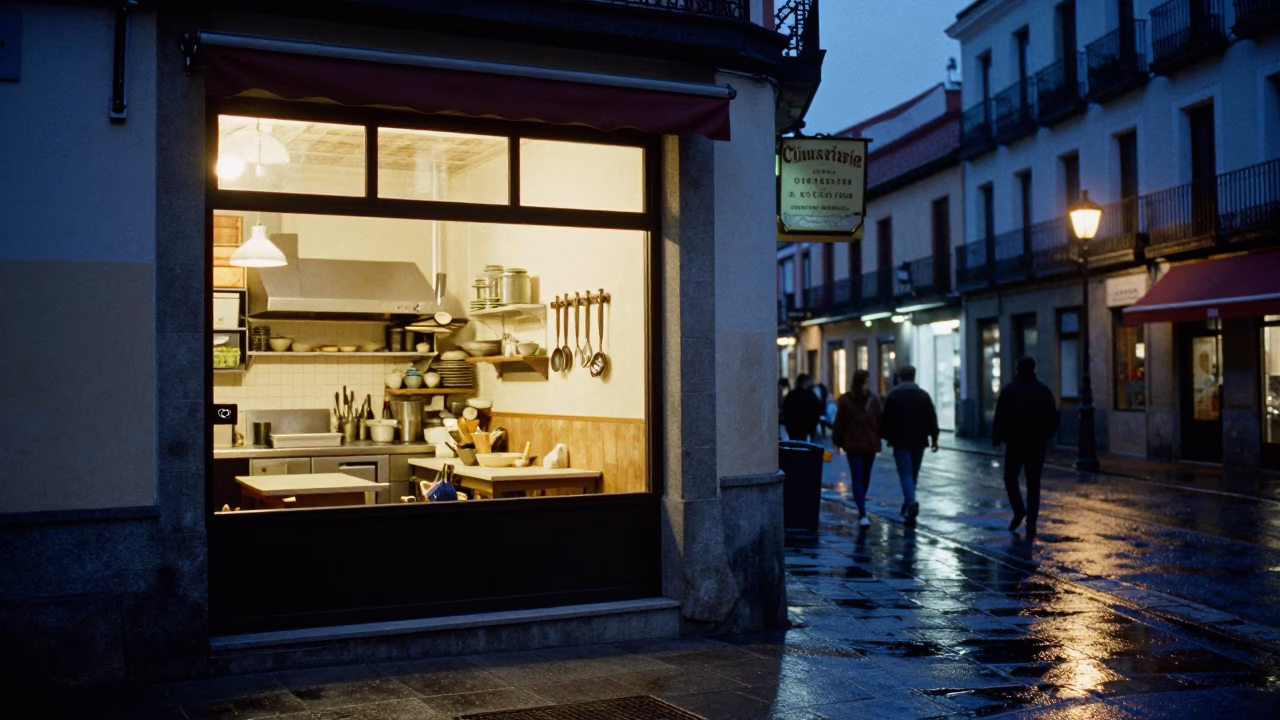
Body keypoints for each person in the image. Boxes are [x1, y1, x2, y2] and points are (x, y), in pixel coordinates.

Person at [992, 356, 1058, 538]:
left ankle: (1019, 509)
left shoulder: (1009, 390)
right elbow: (1052, 416)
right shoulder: (1043, 390)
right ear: (1034, 368)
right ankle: (1031, 524)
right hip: (1036, 443)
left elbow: (1000, 415)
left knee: (1010, 477)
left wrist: (997, 438)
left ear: (1017, 369)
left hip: (1015, 443)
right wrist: (1048, 435)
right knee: (1033, 484)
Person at [879, 365, 939, 522]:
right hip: (919, 440)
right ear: (914, 376)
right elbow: (931, 418)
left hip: (900, 441)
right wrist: (934, 438)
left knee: (905, 474)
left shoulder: (893, 396)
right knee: (913, 473)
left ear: (900, 377)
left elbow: (885, 420)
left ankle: (910, 502)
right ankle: (908, 502)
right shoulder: (923, 396)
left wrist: (886, 436)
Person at [832, 369, 881, 527]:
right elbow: (840, 423)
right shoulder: (848, 400)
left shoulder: (872, 400)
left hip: (868, 444)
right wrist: (837, 441)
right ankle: (862, 512)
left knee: (864, 478)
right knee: (858, 478)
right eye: (866, 381)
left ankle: (862, 508)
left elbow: (880, 420)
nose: (868, 384)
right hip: (855, 445)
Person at [782, 373, 824, 442]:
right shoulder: (810, 395)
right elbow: (817, 409)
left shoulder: (791, 395)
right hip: (804, 427)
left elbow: (785, 409)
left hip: (793, 426)